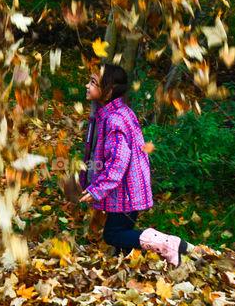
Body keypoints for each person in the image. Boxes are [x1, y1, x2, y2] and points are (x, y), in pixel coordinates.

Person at [78, 64, 195, 267]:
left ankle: (171, 244)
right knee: (123, 237)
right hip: (130, 186)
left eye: (93, 82)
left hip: (126, 189)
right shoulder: (114, 112)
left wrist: (98, 189)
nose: (87, 85)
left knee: (113, 235)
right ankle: (132, 269)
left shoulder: (114, 120)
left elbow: (117, 163)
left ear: (109, 90)